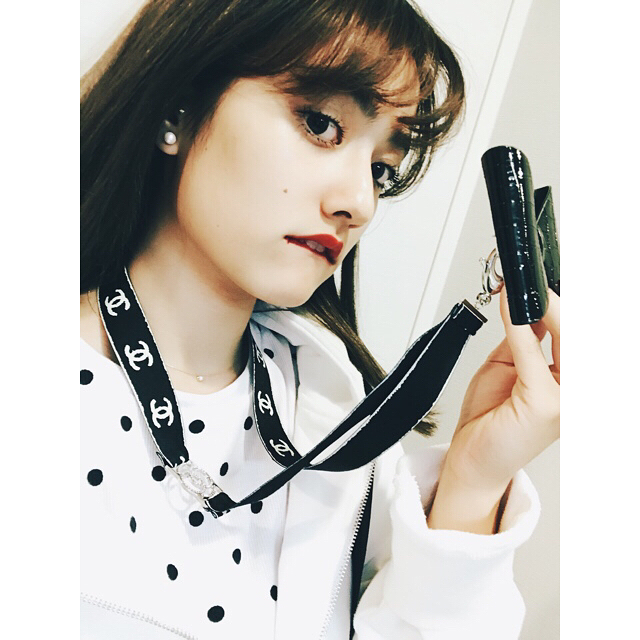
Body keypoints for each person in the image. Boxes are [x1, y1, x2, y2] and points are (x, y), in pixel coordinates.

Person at [80, 0, 560, 638]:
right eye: (321, 124)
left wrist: (474, 481)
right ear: (177, 106)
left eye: (381, 170)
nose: (359, 202)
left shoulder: (337, 422)